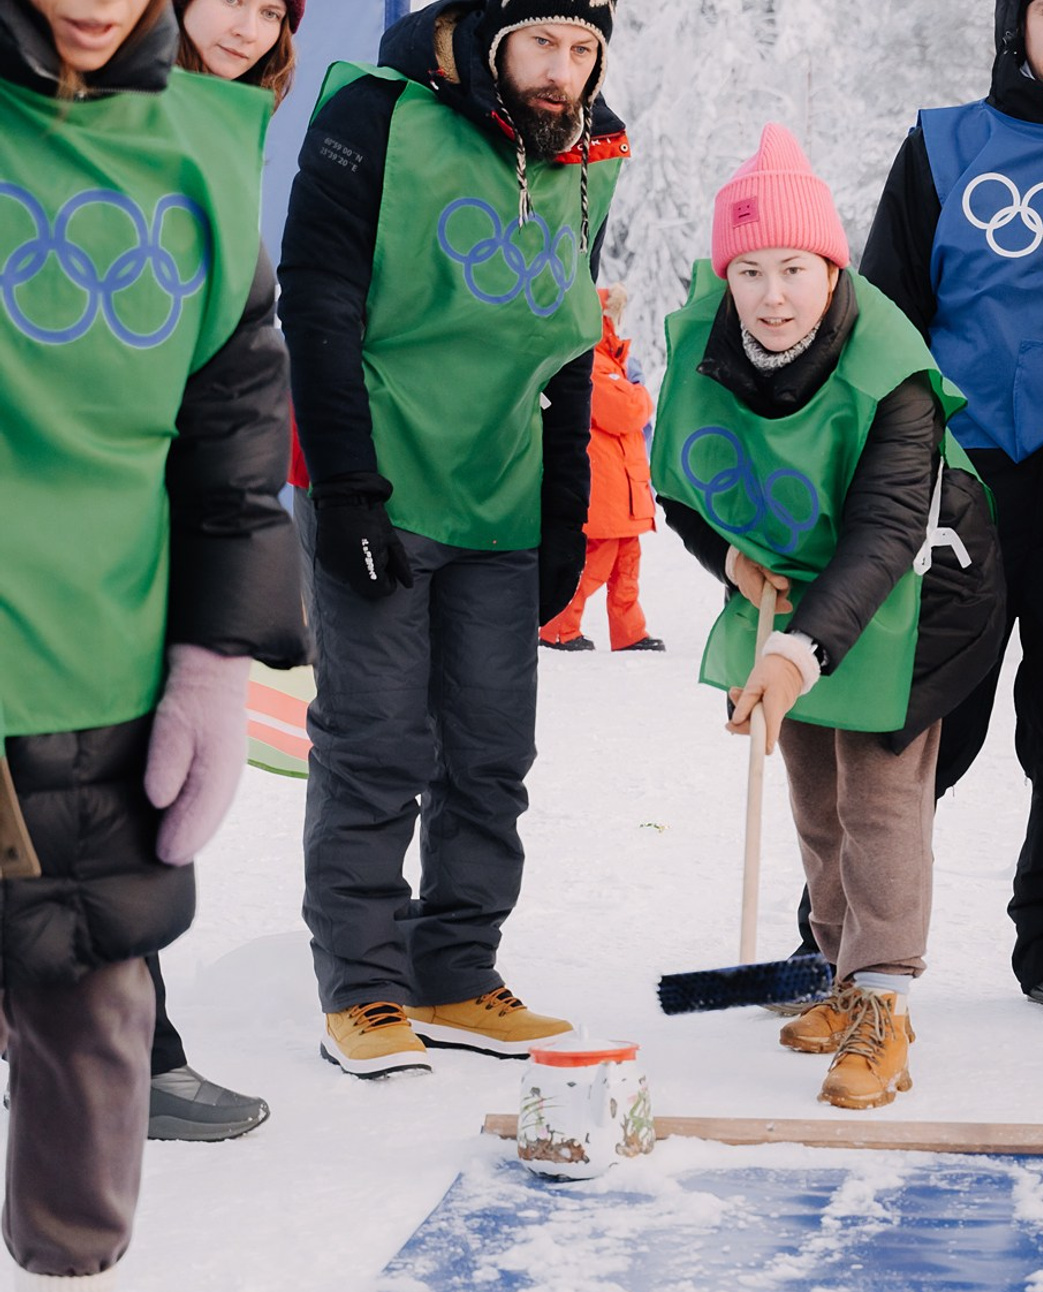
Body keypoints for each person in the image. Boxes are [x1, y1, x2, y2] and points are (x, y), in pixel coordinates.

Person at [0, 0, 304, 1292]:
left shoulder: (201, 139)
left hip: (104, 646)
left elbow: (234, 418)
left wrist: (213, 651)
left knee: (97, 1012)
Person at [279, 0, 627, 1077]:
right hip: (382, 478)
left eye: (583, 50)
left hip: (503, 500)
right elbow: (319, 302)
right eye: (542, 43)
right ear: (487, 38)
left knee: (489, 756)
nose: (562, 70)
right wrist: (343, 489)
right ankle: (365, 988)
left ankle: (457, 972)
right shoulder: (375, 116)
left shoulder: (587, 158)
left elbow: (567, 349)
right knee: (375, 745)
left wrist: (564, 512)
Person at [654, 126, 1003, 1110]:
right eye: (751, 269)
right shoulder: (706, 350)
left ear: (831, 267)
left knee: (879, 798)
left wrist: (799, 653)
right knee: (812, 792)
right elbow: (681, 481)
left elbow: (889, 527)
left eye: (795, 268)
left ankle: (886, 1003)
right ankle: (842, 976)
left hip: (926, 577)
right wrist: (725, 555)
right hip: (799, 574)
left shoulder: (891, 367)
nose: (772, 294)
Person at [860, 0, 1043, 1024]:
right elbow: (883, 315)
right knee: (923, 718)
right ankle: (856, 931)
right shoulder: (943, 144)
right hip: (961, 475)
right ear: (1014, 26)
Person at [136, 0, 305, 1146]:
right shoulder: (132, 108)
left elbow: (228, 337)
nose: (248, 22)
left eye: (274, 8)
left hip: (164, 487)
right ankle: (123, 1047)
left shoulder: (231, 113)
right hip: (96, 488)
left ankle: (119, 1038)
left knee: (111, 786)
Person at [539, 284, 662, 655]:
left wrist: (632, 391)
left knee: (627, 571)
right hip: (606, 493)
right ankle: (557, 628)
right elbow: (625, 411)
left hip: (624, 491)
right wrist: (639, 394)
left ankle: (630, 633)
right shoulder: (589, 361)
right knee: (592, 567)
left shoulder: (612, 362)